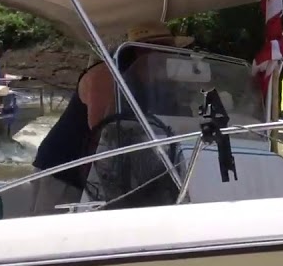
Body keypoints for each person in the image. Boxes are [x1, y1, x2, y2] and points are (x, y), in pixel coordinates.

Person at [30, 21, 194, 213]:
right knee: (56, 235)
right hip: (66, 169)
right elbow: (102, 133)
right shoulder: (107, 75)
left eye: (172, 50)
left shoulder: (159, 85)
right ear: (141, 51)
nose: (170, 57)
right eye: (164, 50)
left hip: (117, 175)